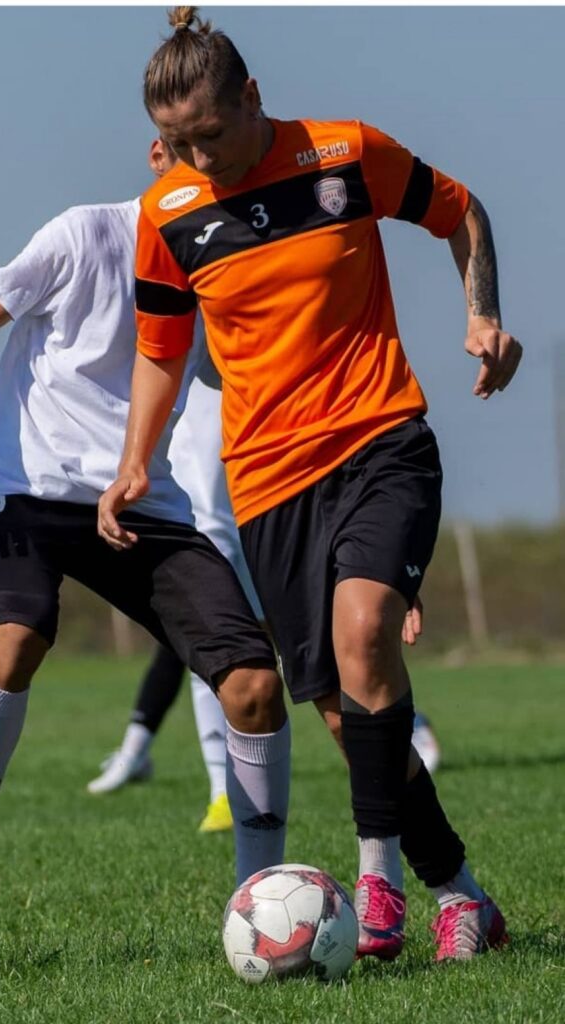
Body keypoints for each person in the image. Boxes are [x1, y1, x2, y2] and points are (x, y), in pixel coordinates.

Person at [98, 6, 522, 963]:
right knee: (342, 704)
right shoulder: (167, 215)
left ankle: (377, 882)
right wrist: (133, 461)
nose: (197, 157)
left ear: (252, 96)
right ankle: (461, 893)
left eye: (210, 133)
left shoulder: (344, 153)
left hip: (380, 439)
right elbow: (161, 350)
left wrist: (481, 316)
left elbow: (460, 211)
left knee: (365, 634)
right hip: (267, 482)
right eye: (176, 142)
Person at [0, 142, 291, 956]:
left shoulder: (224, 266)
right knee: (19, 630)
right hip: (23, 484)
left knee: (253, 686)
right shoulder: (82, 235)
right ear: (158, 153)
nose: (204, 170)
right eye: (186, 151)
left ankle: (260, 909)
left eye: (219, 156)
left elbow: (251, 382)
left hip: (140, 499)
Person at [89, 369, 260, 836]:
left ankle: (404, 729)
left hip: (242, 405)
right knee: (210, 621)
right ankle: (221, 787)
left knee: (302, 625)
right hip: (184, 414)